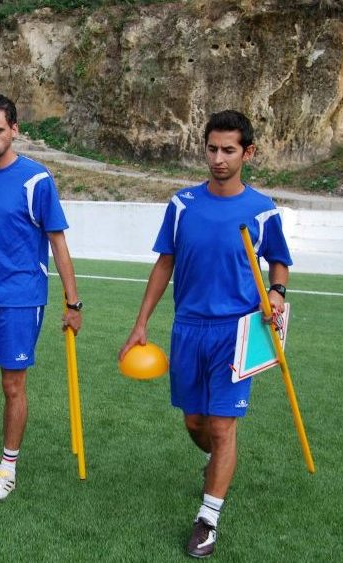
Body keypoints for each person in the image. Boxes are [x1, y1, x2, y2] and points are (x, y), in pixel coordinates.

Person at [118, 110, 292, 558]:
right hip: (188, 329)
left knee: (222, 425)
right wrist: (141, 323)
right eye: (212, 149)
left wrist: (275, 292)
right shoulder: (181, 205)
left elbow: (279, 261)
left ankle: (207, 518)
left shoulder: (262, 209)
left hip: (237, 331)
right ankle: (215, 462)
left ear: (247, 153)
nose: (218, 158)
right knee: (195, 423)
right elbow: (164, 264)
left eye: (228, 150)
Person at [0, 93, 82, 502]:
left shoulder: (36, 180)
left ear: (14, 130)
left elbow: (57, 242)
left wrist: (72, 303)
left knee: (12, 387)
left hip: (21, 300)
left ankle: (8, 466)